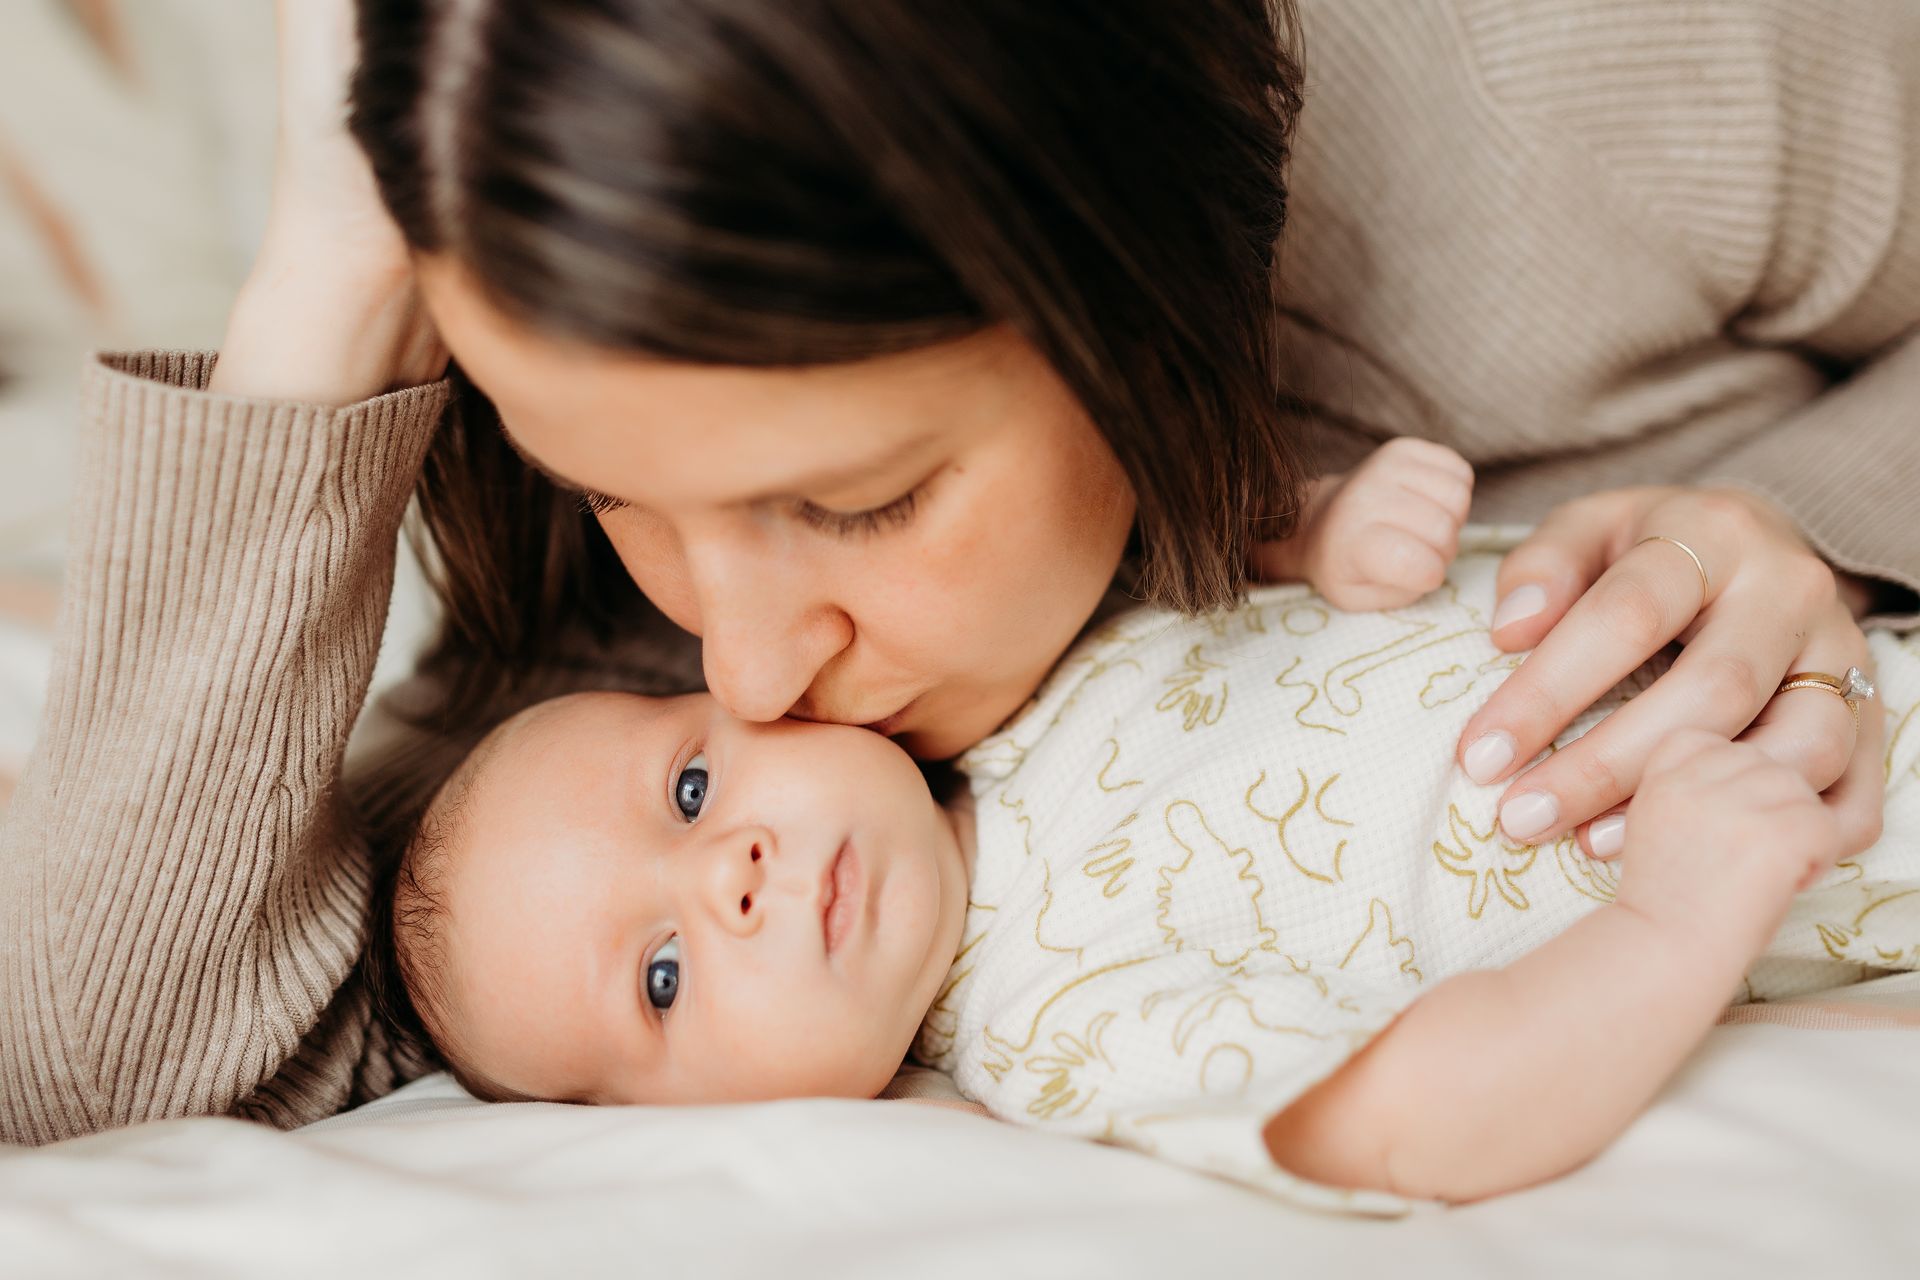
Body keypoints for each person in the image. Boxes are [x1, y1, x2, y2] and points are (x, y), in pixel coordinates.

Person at [3, 0, 1916, 1146]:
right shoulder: (656, 725)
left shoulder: (1577, 68)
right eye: (614, 493)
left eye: (858, 503)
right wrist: (337, 261)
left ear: (1121, 271)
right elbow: (88, 1069)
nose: (748, 673)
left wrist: (1811, 535)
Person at [373, 444, 1920, 1209]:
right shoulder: (1061, 1029)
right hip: (1844, 839)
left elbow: (1186, 561)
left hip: (1815, 641)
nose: (736, 872)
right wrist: (1675, 917)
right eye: (662, 976)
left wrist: (1314, 526)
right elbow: (1422, 1114)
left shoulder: (985, 676)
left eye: (691, 790)